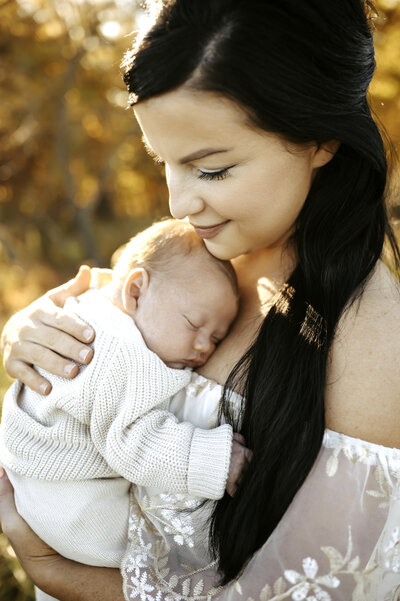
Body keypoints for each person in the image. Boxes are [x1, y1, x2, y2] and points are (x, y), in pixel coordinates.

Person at [1, 0, 400, 600]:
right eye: (163, 162)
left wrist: (58, 572)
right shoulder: (195, 262)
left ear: (321, 140)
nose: (178, 203)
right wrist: (33, 341)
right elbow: (94, 368)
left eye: (211, 170)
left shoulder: (370, 347)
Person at [0, 218, 246, 582]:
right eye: (194, 325)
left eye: (216, 338)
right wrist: (216, 460)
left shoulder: (98, 309)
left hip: (42, 496)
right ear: (134, 291)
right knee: (172, 561)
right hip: (74, 512)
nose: (203, 347)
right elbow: (133, 440)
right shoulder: (117, 351)